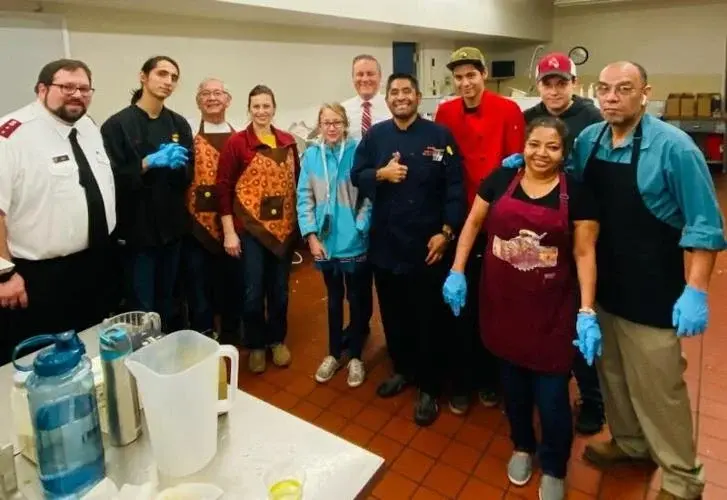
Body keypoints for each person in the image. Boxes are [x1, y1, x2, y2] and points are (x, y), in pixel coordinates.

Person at [503, 61, 726, 500]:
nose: (611, 97)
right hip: (602, 288)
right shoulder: (590, 140)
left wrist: (696, 289)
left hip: (652, 291)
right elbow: (569, 188)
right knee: (614, 377)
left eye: (623, 89)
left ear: (645, 92)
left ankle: (682, 480)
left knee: (660, 389)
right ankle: (630, 444)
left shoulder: (675, 148)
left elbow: (705, 225)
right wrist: (523, 166)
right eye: (604, 89)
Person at [443, 116, 600, 500]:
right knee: (512, 390)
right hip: (502, 305)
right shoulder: (500, 180)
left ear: (564, 153)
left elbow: (584, 253)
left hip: (552, 313)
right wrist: (457, 269)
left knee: (551, 400)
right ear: (523, 146)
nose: (541, 153)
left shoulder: (577, 194)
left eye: (552, 147)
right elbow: (472, 223)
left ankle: (554, 465)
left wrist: (587, 310)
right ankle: (522, 446)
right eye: (534, 144)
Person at [351, 73, 465, 426]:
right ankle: (403, 370)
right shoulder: (375, 136)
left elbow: (455, 187)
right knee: (393, 314)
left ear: (418, 97)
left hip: (427, 246)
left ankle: (429, 387)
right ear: (387, 99)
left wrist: (446, 232)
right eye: (394, 93)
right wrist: (380, 176)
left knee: (428, 318)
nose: (400, 97)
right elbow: (357, 175)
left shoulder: (439, 136)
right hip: (386, 244)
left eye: (406, 92)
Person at [0, 59, 117, 363]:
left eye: (84, 88)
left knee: (91, 350)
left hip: (93, 264)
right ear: (42, 89)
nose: (77, 94)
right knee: (41, 362)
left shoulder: (88, 127)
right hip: (39, 278)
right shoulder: (11, 135)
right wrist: (3, 274)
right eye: (67, 87)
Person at [434, 46, 526, 413]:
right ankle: (461, 379)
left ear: (483, 74)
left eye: (471, 75)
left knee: (494, 303)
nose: (465, 83)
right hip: (459, 220)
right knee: (458, 308)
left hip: (497, 221)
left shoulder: (509, 110)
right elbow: (442, 162)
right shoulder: (445, 112)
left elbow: (517, 169)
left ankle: (490, 379)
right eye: (458, 77)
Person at [524, 52, 606, 435]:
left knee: (579, 312)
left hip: (582, 227)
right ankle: (540, 382)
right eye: (547, 83)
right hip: (542, 230)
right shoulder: (529, 119)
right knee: (544, 311)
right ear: (538, 86)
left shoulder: (592, 119)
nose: (554, 90)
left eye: (562, 83)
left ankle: (592, 398)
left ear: (574, 83)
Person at [101, 56, 193, 331]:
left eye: (174, 77)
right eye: (162, 74)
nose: (168, 81)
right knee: (142, 308)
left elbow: (189, 175)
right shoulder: (117, 126)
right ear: (143, 76)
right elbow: (110, 181)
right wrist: (146, 163)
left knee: (170, 301)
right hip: (137, 235)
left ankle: (169, 359)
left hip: (172, 230)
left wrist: (179, 167)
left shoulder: (178, 124)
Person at [217, 85, 300, 374]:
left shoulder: (288, 142)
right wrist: (229, 231)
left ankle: (276, 339)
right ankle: (255, 343)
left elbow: (296, 185)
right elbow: (224, 188)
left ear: (274, 109)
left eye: (267, 106)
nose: (262, 111)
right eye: (256, 106)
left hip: (283, 231)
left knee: (280, 289)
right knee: (252, 291)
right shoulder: (237, 144)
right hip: (249, 230)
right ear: (249, 109)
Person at [297, 103, 372, 387]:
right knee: (333, 300)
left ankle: (354, 356)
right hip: (325, 244)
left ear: (345, 124)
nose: (331, 128)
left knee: (356, 298)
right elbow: (304, 197)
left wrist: (360, 227)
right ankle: (332, 353)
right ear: (320, 124)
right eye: (326, 122)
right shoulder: (312, 156)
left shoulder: (357, 152)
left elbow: (369, 196)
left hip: (353, 242)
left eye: (337, 122)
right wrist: (311, 237)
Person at [182, 78, 240, 340]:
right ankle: (203, 333)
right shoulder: (188, 134)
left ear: (228, 99)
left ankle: (231, 330)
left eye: (218, 93)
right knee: (198, 281)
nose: (212, 98)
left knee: (231, 280)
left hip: (232, 221)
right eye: (206, 93)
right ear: (198, 101)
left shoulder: (238, 136)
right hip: (196, 223)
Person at [342, 54, 391, 141]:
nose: (365, 79)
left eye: (370, 74)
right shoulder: (343, 110)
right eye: (360, 74)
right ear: (353, 78)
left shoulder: (392, 106)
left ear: (380, 77)